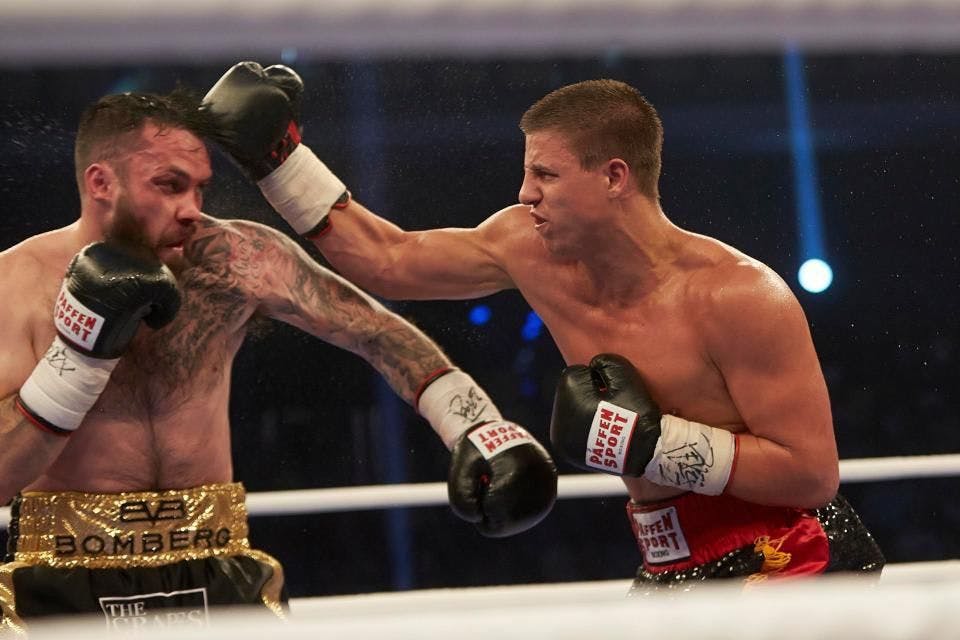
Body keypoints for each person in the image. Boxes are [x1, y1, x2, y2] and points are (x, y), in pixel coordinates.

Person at [202, 62, 886, 592]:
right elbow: (389, 260)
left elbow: (811, 475)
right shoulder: (526, 246)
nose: (525, 192)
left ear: (614, 177)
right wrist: (279, 161)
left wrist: (656, 445)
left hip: (784, 552)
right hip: (667, 559)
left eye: (546, 174)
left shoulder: (737, 296)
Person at [0, 88, 557, 633]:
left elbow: (377, 333)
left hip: (218, 561)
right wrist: (76, 360)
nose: (191, 209)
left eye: (199, 188)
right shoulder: (18, 283)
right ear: (101, 183)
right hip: (63, 571)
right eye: (169, 185)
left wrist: (475, 426)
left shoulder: (236, 259)